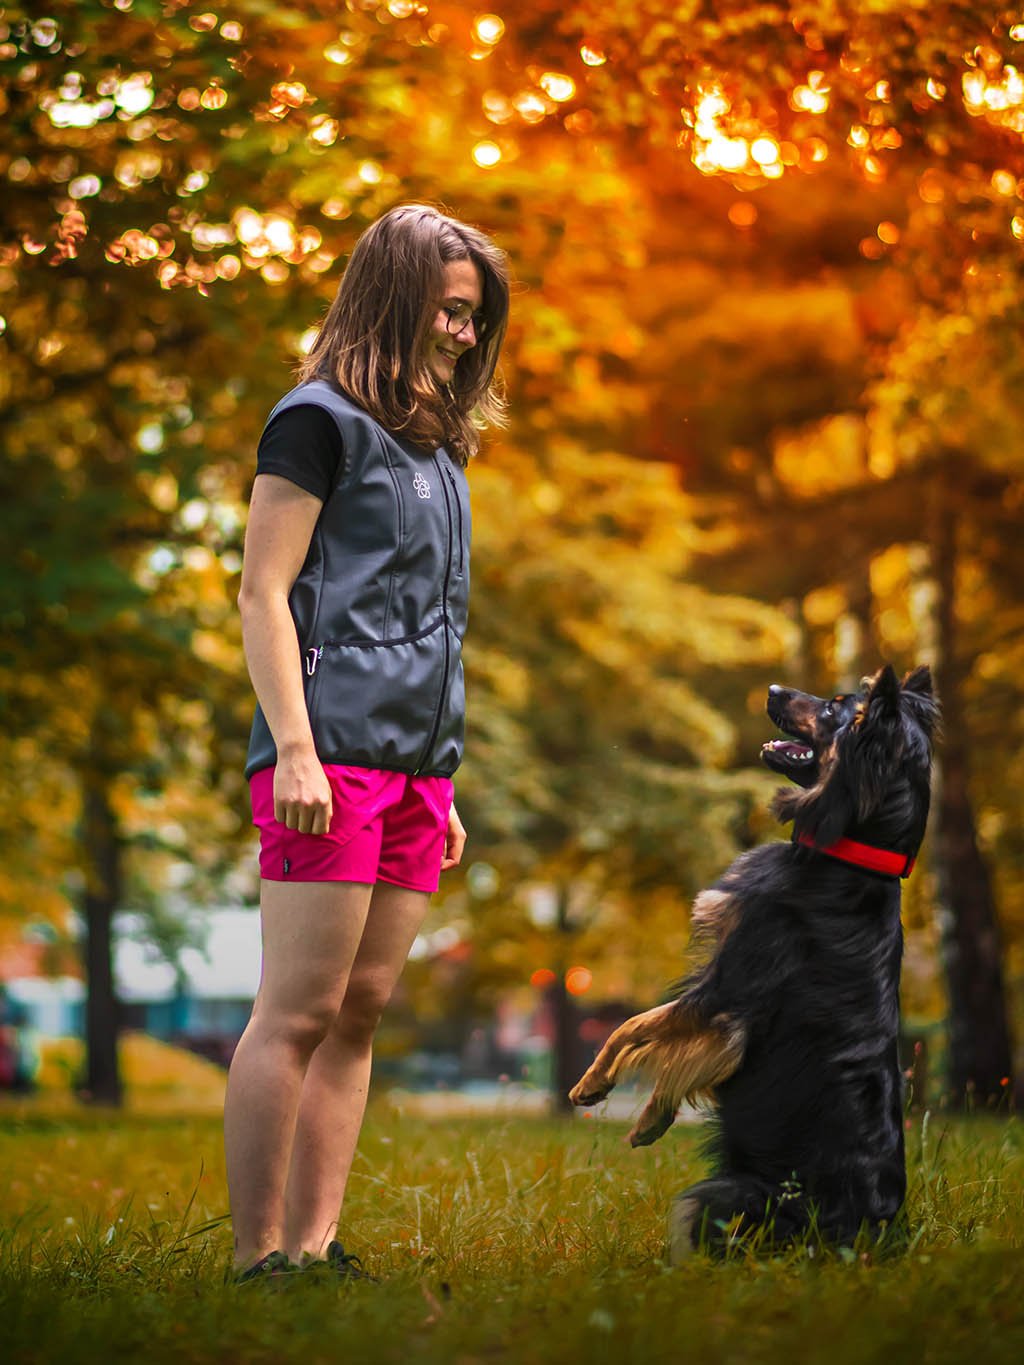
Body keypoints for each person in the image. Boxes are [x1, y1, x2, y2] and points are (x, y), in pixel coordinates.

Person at [224, 204, 510, 1282]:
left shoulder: (440, 454)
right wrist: (294, 750)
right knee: (295, 1011)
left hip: (415, 770)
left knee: (361, 1011)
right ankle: (258, 1261)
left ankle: (315, 1243)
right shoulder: (312, 422)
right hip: (326, 758)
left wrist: (444, 775)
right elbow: (261, 593)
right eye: (447, 311)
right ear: (393, 300)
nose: (462, 335)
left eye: (473, 319)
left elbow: (432, 625)